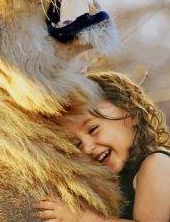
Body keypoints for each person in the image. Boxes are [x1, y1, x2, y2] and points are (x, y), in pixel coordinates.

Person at [33, 71, 170, 222]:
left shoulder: (157, 163)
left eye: (93, 130)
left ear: (132, 114)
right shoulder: (116, 181)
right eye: (77, 144)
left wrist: (81, 218)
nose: (87, 147)